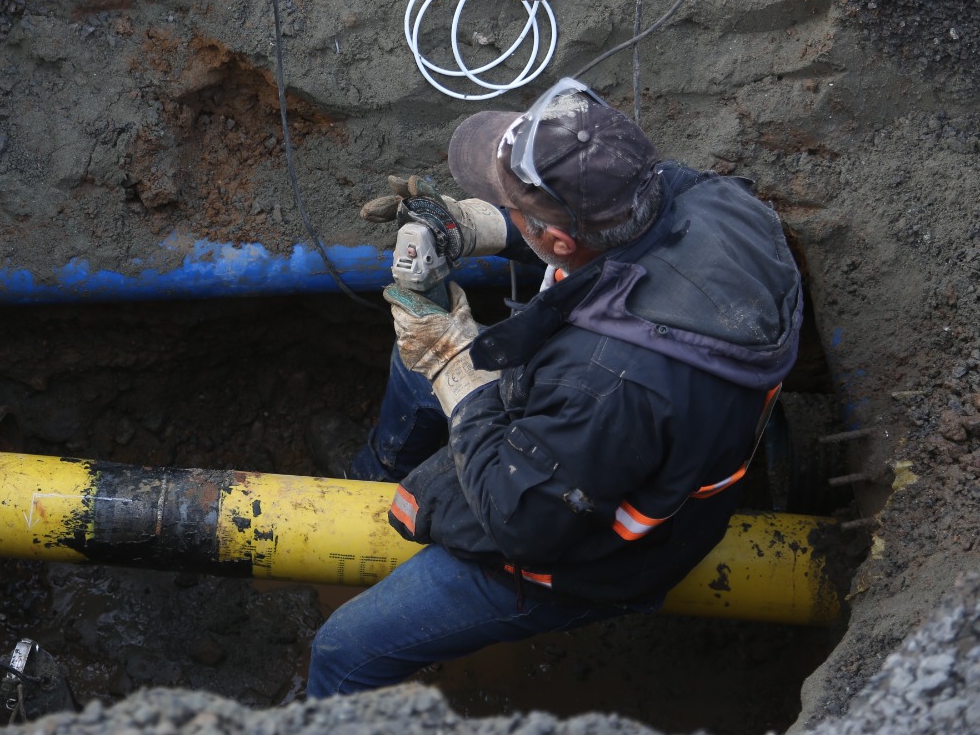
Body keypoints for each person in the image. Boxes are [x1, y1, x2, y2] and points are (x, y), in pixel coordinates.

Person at [306, 77, 803, 697]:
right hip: (614, 422)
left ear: (560, 241)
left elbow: (518, 520)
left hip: (588, 553)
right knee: (419, 364)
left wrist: (452, 365)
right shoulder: (720, 205)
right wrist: (475, 226)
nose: (498, 206)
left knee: (345, 651)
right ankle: (369, 479)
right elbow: (609, 233)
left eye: (509, 206)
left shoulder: (605, 387)